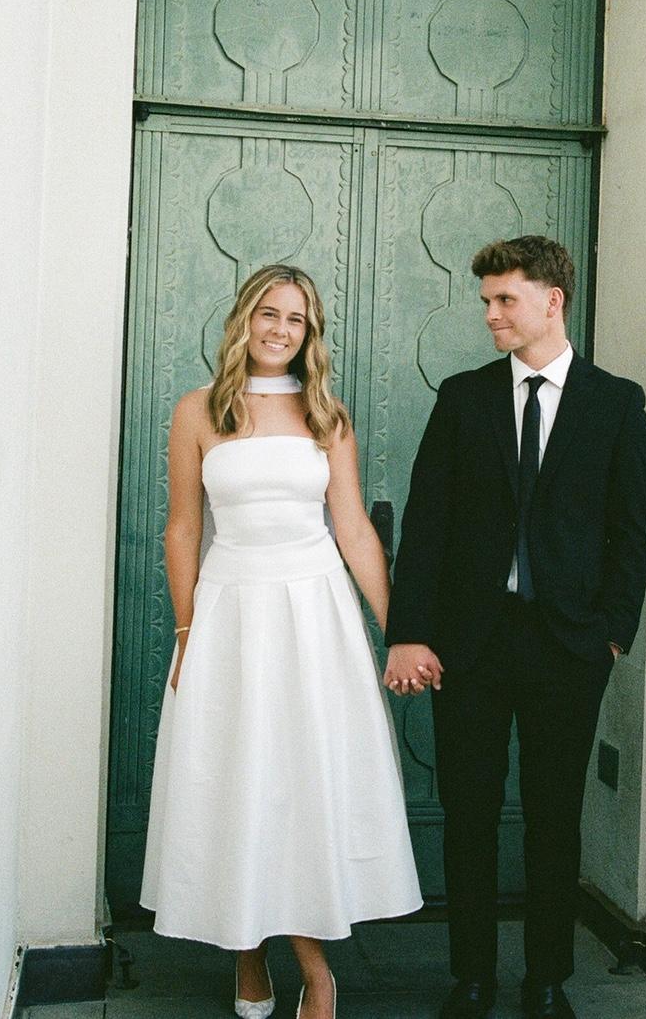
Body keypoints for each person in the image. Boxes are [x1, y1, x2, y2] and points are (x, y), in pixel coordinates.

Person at [383, 236, 646, 1019]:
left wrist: (612, 633)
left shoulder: (615, 403)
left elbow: (630, 531)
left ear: (552, 300)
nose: (491, 315)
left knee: (553, 816)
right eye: (487, 301)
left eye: (505, 299)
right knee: (469, 814)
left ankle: (546, 981)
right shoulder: (463, 398)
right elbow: (427, 524)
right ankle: (471, 977)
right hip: (469, 642)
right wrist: (410, 631)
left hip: (569, 645)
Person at [141, 264, 422, 1019]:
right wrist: (188, 634)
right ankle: (246, 950)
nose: (280, 329)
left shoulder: (327, 415)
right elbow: (182, 529)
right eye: (269, 313)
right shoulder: (199, 410)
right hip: (230, 614)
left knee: (301, 783)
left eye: (296, 319)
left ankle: (317, 973)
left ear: (309, 334)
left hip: (314, 615)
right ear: (245, 318)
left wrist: (399, 632)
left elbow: (353, 529)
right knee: (237, 778)